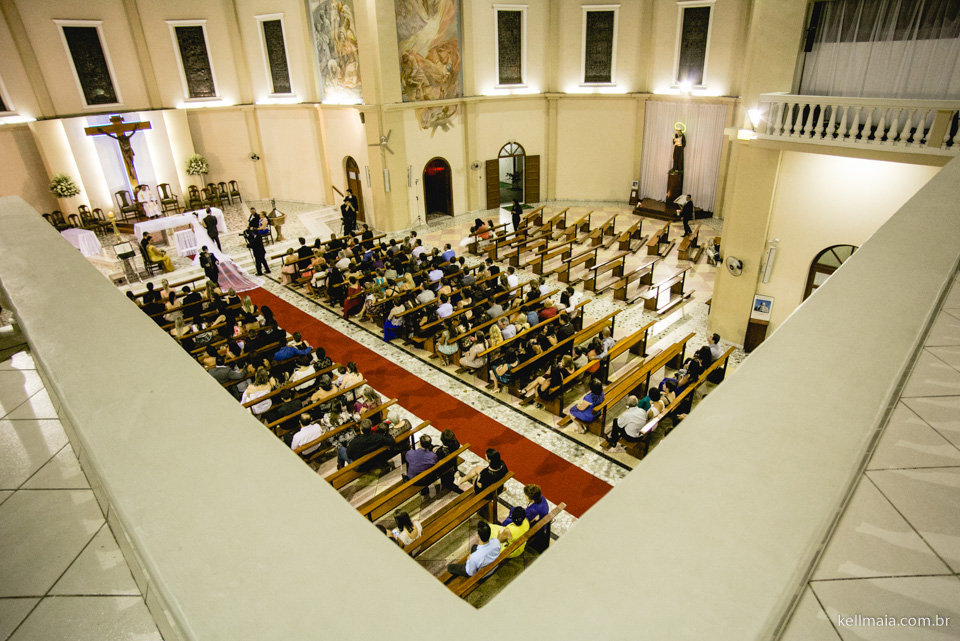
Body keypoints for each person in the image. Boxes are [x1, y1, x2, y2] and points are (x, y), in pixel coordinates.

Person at [503, 484, 551, 554]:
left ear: (531, 498)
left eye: (526, 495)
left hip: (534, 526)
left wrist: (510, 516)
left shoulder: (533, 510)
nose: (525, 496)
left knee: (508, 520)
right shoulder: (541, 498)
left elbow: (523, 519)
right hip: (540, 522)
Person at [434, 429, 463, 494]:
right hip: (453, 463)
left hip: (444, 468)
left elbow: (437, 458)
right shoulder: (456, 444)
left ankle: (447, 486)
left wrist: (436, 450)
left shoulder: (441, 452)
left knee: (445, 481)